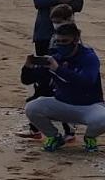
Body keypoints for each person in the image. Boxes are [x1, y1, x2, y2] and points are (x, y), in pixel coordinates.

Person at [23, 20, 105, 152]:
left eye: (65, 41)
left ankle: (90, 137)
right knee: (32, 107)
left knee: (103, 118)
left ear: (76, 39)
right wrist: (28, 67)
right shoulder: (56, 57)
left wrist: (58, 70)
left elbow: (86, 81)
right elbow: (27, 80)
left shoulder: (89, 57)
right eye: (58, 41)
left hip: (89, 106)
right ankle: (54, 136)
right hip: (62, 103)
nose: (61, 45)